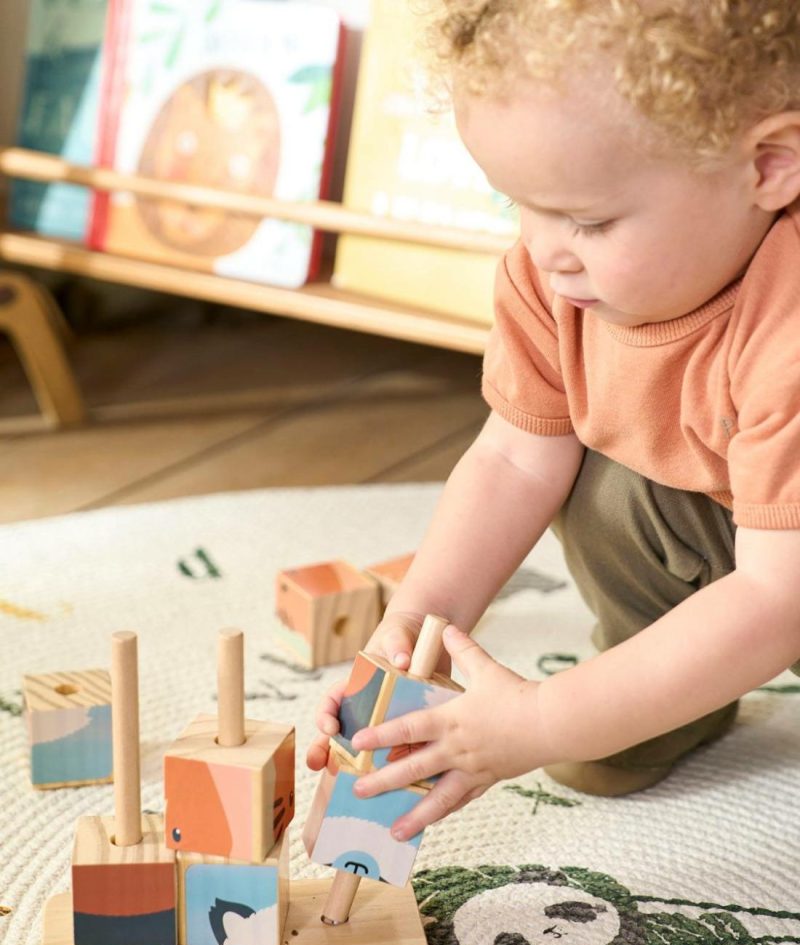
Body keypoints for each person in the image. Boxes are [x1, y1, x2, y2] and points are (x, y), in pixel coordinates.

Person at [307, 0, 800, 842]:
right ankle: (663, 702)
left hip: (783, 571)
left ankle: (624, 702)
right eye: (517, 206)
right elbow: (513, 461)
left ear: (769, 166)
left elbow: (777, 595)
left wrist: (541, 722)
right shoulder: (553, 280)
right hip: (753, 537)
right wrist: (412, 627)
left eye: (589, 220)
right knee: (602, 488)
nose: (545, 248)